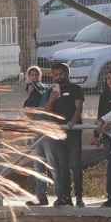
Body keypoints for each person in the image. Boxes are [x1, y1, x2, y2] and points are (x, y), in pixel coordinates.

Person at [46, 63, 84, 207]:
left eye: (60, 74)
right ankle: (65, 197)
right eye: (54, 75)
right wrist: (52, 99)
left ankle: (79, 197)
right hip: (58, 133)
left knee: (75, 165)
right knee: (62, 166)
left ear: (67, 74)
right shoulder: (53, 91)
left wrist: (71, 123)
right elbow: (48, 111)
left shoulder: (76, 89)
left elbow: (79, 108)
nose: (57, 77)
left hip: (73, 133)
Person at [23, 66, 53, 207]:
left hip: (44, 128)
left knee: (51, 163)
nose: (34, 77)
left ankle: (64, 195)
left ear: (40, 76)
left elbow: (36, 110)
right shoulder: (31, 89)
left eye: (36, 74)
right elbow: (27, 110)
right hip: (35, 129)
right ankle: (41, 196)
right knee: (38, 164)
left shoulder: (43, 89)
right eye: (31, 74)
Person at [93, 66, 111, 208]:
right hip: (109, 137)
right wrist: (97, 134)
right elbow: (100, 116)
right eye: (108, 78)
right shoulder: (105, 95)